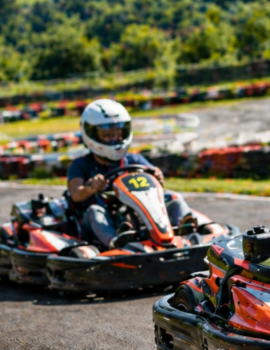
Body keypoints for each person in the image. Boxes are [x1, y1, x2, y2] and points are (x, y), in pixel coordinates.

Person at [66, 99, 194, 248]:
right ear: (91, 134)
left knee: (175, 198)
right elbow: (75, 194)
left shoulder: (134, 159)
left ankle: (185, 235)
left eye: (117, 133)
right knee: (95, 211)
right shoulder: (80, 164)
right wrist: (91, 187)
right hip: (102, 220)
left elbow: (156, 183)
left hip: (134, 213)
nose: (113, 139)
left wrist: (157, 176)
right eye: (107, 135)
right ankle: (116, 242)